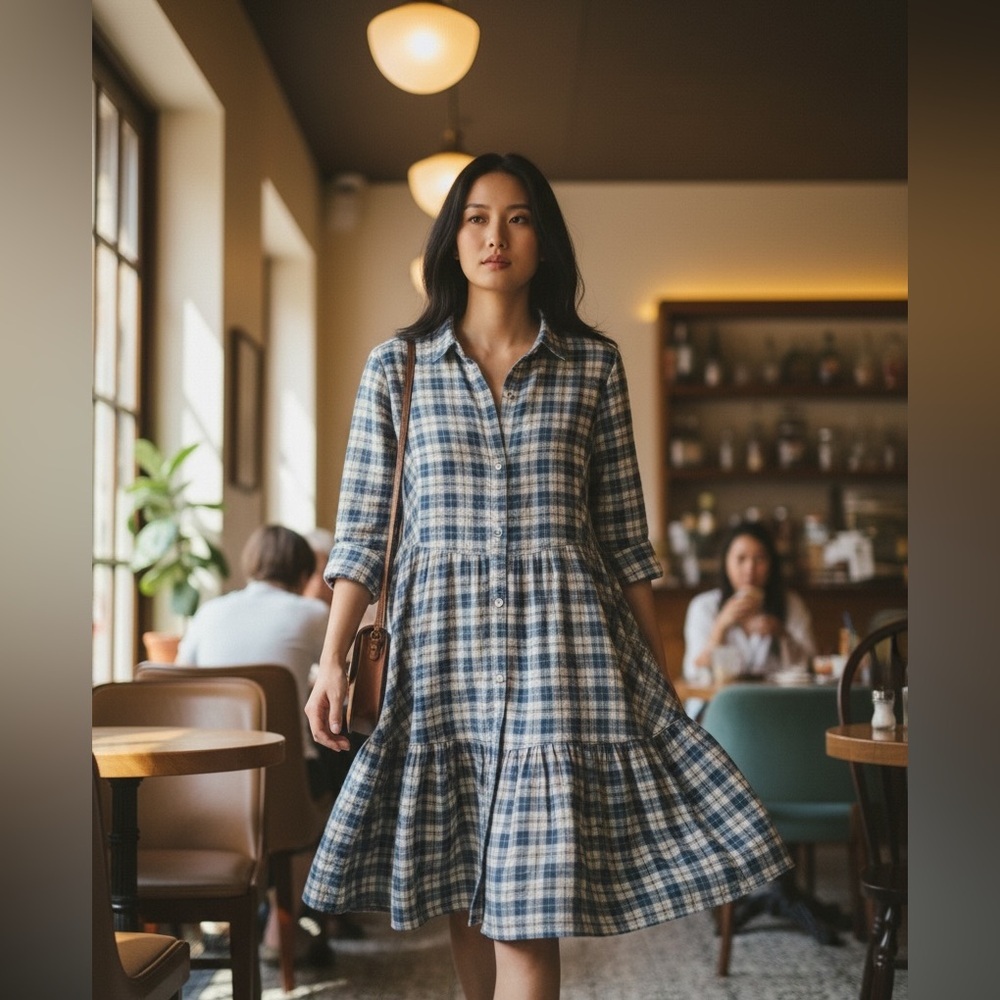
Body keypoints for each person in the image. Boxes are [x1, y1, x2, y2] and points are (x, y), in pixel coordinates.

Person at [303, 152, 792, 1000]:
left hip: (561, 659)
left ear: (543, 240)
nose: (496, 235)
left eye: (518, 217)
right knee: (466, 894)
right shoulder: (399, 367)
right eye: (476, 218)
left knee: (525, 919)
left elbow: (625, 539)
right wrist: (330, 661)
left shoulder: (593, 366)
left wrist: (656, 668)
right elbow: (361, 536)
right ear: (452, 238)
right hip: (440, 660)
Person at [176, 523, 334, 964]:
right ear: (304, 573)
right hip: (284, 785)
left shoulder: (209, 612)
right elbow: (340, 675)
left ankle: (225, 920)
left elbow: (178, 679)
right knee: (330, 796)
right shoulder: (312, 614)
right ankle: (279, 934)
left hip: (206, 782)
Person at [682, 519, 817, 685]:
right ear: (726, 563)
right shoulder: (704, 606)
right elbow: (693, 672)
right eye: (741, 559)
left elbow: (810, 666)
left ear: (771, 564)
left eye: (759, 559)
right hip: (722, 699)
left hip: (774, 698)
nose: (750, 569)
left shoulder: (791, 604)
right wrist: (721, 626)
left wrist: (781, 633)